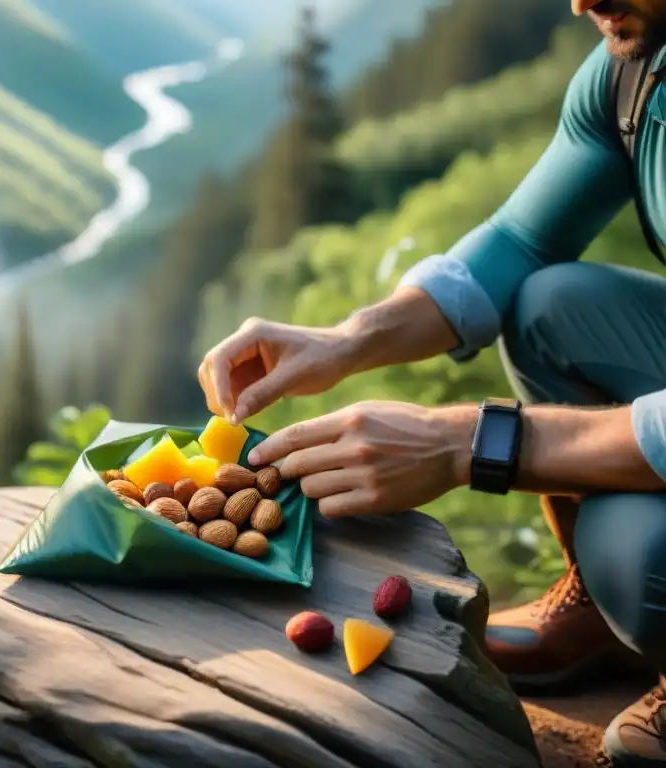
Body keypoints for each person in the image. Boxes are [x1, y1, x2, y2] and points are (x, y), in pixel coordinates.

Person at [198, 1, 666, 765]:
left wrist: (466, 443)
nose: (583, 2)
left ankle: (630, 597)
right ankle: (601, 626)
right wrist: (345, 341)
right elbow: (521, 241)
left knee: (638, 553)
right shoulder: (636, 71)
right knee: (551, 301)